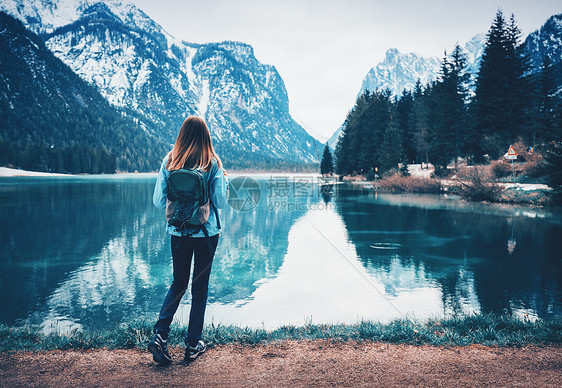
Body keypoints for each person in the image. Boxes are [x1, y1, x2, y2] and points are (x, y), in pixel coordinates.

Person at [147, 116, 228, 365]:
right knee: (199, 288)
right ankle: (193, 345)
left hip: (178, 233)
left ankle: (161, 334)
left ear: (182, 134)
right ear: (206, 136)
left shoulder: (170, 161)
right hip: (206, 234)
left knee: (179, 283)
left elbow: (158, 202)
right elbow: (221, 202)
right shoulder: (212, 162)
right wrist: (224, 179)